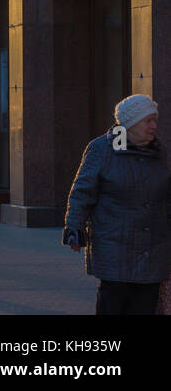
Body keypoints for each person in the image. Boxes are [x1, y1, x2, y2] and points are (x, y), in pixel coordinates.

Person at [64, 94, 171, 315]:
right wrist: (74, 228)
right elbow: (82, 192)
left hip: (153, 247)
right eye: (148, 120)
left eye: (155, 120)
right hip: (115, 244)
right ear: (131, 124)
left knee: (145, 305)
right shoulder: (102, 149)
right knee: (113, 304)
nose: (154, 126)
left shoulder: (159, 153)